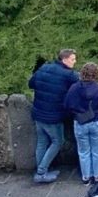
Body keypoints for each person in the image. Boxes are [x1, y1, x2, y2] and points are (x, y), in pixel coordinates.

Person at [28, 49, 78, 184]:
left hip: (38, 112)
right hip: (53, 115)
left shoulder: (44, 67)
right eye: (73, 59)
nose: (75, 62)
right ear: (65, 59)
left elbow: (31, 84)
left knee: (42, 142)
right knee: (57, 141)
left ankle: (42, 170)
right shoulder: (69, 75)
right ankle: (41, 172)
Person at [63, 62, 98, 189]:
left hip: (80, 122)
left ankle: (86, 177)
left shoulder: (74, 88)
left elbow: (67, 105)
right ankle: (97, 176)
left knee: (83, 151)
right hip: (97, 121)